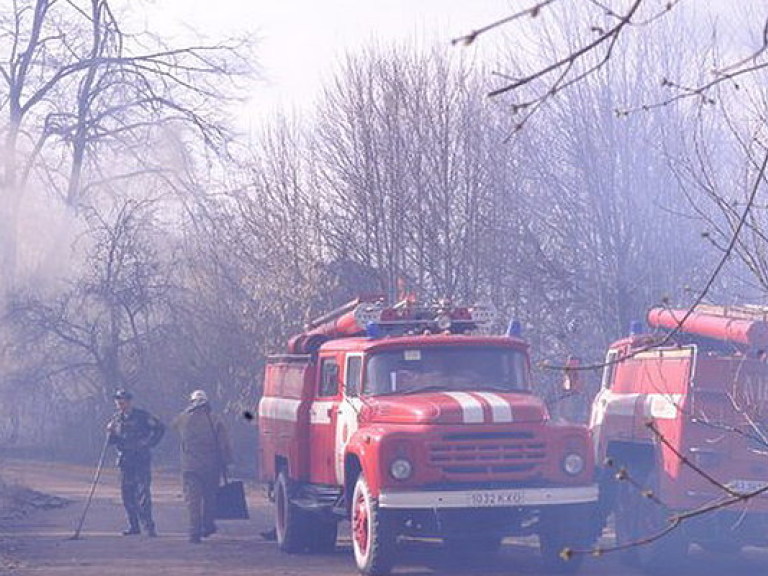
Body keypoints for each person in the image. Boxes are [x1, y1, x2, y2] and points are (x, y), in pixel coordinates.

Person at [173, 389, 233, 544]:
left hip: (190, 468)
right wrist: (227, 462)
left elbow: (173, 426)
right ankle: (207, 526)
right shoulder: (215, 419)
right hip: (211, 467)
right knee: (209, 498)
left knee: (192, 501)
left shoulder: (183, 418)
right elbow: (224, 444)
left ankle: (194, 533)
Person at [107, 389, 165, 537]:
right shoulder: (116, 419)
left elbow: (160, 428)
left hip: (141, 460)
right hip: (125, 461)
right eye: (118, 400)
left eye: (123, 400)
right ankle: (134, 526)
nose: (120, 403)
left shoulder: (142, 416)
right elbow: (112, 442)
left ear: (130, 401)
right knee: (127, 495)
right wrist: (110, 433)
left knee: (143, 493)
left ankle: (149, 527)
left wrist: (149, 443)